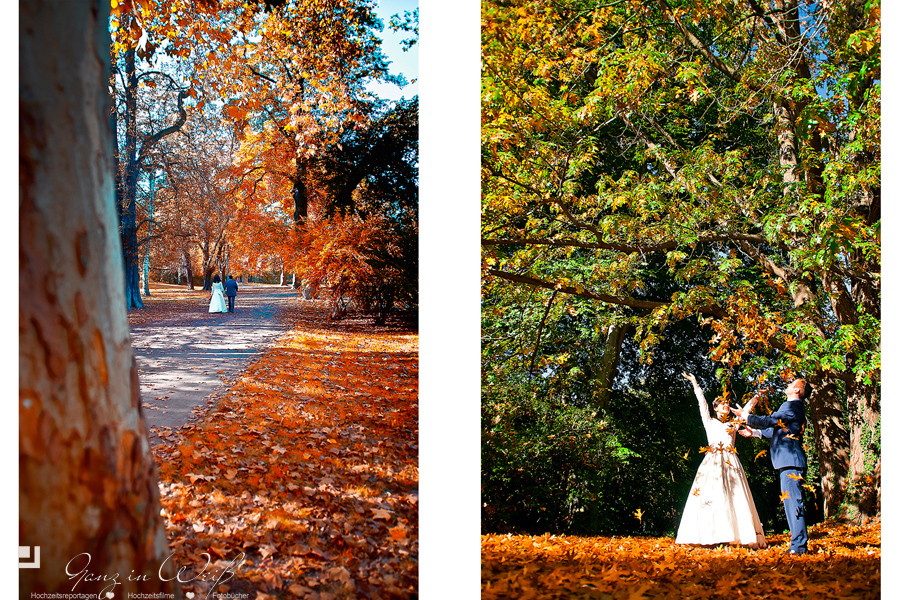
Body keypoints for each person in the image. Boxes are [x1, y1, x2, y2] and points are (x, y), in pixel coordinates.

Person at [675, 372, 767, 548]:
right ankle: (710, 535)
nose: (726, 405)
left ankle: (734, 535)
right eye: (722, 404)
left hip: (731, 462)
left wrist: (757, 396)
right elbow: (701, 403)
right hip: (713, 462)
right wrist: (695, 383)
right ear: (715, 408)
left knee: (734, 497)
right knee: (711, 497)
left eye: (726, 403)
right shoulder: (709, 422)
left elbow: (746, 410)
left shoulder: (732, 424)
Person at [734, 378, 810, 555]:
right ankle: (797, 545)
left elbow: (770, 421)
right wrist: (755, 432)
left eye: (792, 384)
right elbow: (775, 429)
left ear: (797, 390)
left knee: (793, 504)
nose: (788, 385)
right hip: (787, 462)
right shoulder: (791, 408)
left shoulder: (792, 406)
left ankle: (798, 547)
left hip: (791, 462)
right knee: (790, 503)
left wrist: (745, 416)